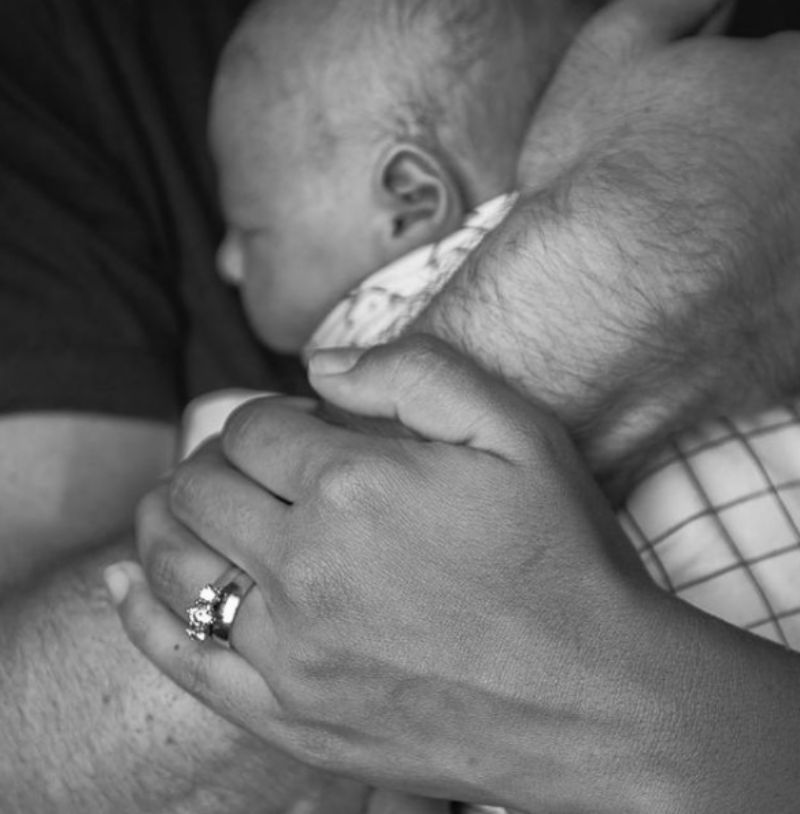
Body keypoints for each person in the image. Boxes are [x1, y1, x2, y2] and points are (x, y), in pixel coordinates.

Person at [1, 0, 799, 811]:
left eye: (251, 224)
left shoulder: (321, 384)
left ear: (411, 200)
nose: (228, 261)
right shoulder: (738, 141)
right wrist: (624, 254)